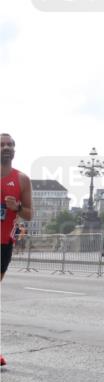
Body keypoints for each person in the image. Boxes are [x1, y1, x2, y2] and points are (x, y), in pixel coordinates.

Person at [1, 133, 34, 367]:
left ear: (15, 149)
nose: (6, 147)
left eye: (10, 144)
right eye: (2, 144)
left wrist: (18, 206)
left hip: (4, 244)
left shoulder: (22, 179)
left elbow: (29, 214)